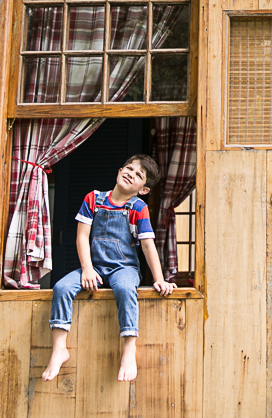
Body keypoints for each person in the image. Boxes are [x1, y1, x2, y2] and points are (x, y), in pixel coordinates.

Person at [41, 154, 177, 382]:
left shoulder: (138, 207)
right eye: (128, 168)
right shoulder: (93, 199)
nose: (130, 174)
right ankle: (59, 348)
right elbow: (82, 237)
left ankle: (129, 349)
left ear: (143, 189)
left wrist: (159, 279)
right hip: (94, 268)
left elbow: (147, 245)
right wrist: (86, 269)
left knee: (125, 289)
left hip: (124, 268)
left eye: (138, 175)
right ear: (119, 170)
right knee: (61, 287)